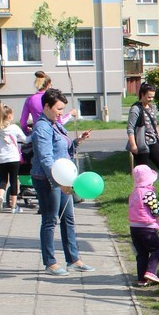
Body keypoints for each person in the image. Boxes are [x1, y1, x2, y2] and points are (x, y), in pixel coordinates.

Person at [31, 88, 96, 276]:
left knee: (68, 219)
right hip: (47, 180)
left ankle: (73, 259)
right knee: (50, 220)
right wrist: (58, 182)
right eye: (58, 109)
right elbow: (46, 158)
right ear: (46, 107)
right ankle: (50, 262)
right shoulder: (42, 127)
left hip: (63, 179)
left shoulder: (54, 124)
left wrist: (77, 142)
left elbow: (62, 149)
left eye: (62, 109)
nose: (61, 113)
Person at [127, 83, 159, 197]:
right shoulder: (135, 109)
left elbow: (153, 125)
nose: (151, 99)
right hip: (141, 145)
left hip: (153, 142)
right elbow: (130, 128)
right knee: (143, 173)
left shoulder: (151, 108)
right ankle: (144, 196)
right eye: (149, 97)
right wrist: (133, 145)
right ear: (142, 94)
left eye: (152, 97)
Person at [128, 164, 159, 287]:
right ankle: (151, 272)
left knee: (142, 253)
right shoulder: (148, 193)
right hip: (147, 227)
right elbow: (156, 211)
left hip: (134, 227)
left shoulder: (134, 193)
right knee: (157, 249)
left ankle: (141, 279)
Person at [0, 102, 27, 213]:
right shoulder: (14, 128)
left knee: (3, 180)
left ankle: (0, 196)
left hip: (1, 159)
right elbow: (25, 139)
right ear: (10, 116)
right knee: (13, 181)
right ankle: (14, 207)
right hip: (13, 158)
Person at [20, 71, 76, 135]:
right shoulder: (53, 99)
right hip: (52, 132)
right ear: (49, 85)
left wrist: (28, 132)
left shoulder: (30, 100)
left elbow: (23, 122)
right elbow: (60, 122)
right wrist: (70, 114)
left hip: (38, 131)